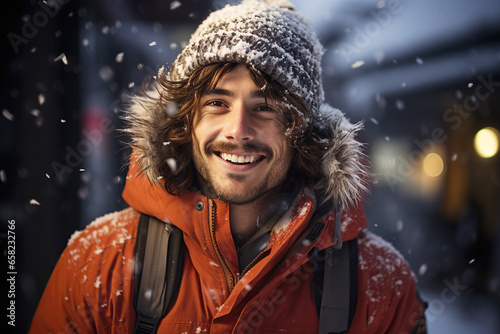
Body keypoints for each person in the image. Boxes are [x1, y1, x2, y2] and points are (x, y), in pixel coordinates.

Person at [30, 0, 427, 333]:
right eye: (217, 103)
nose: (238, 131)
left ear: (304, 132)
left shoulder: (380, 285)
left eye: (266, 107)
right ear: (186, 121)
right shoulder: (99, 262)